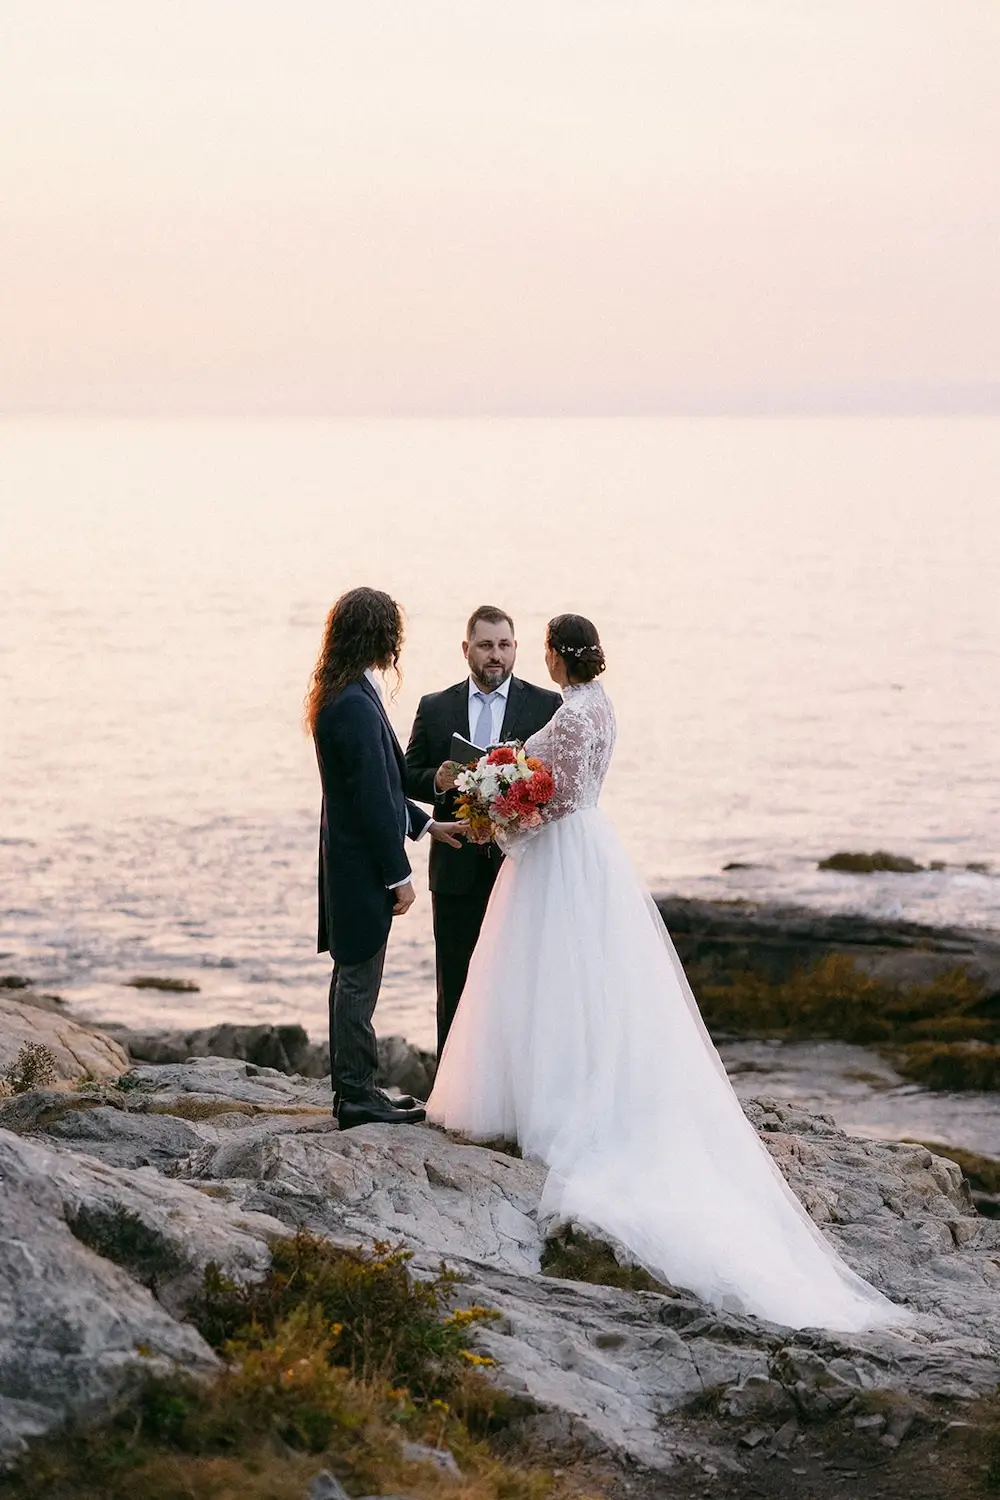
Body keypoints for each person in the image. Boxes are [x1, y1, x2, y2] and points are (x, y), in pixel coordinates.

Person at [427, 614, 908, 1332]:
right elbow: (560, 789)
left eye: (544, 652)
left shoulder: (571, 716)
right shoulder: (599, 707)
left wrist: (502, 811)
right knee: (588, 984)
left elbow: (553, 798)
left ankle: (554, 1106)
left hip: (563, 853)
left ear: (554, 657)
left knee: (550, 981)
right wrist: (509, 796)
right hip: (588, 850)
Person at [307, 587, 466, 1130]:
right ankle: (355, 1097)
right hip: (361, 866)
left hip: (348, 858)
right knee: (357, 978)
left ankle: (359, 1087)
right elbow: (373, 798)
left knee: (352, 973)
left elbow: (379, 786)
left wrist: (428, 824)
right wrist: (400, 875)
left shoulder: (345, 691)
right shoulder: (352, 703)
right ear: (379, 634)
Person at [405, 605, 561, 1058]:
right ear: (466, 649)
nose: (496, 655)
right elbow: (405, 775)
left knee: (521, 982)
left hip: (521, 869)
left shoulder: (546, 705)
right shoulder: (435, 707)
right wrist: (437, 780)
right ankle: (451, 1086)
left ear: (516, 649)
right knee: (455, 984)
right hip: (455, 869)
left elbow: (556, 784)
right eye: (486, 645)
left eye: (504, 645)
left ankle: (513, 1083)